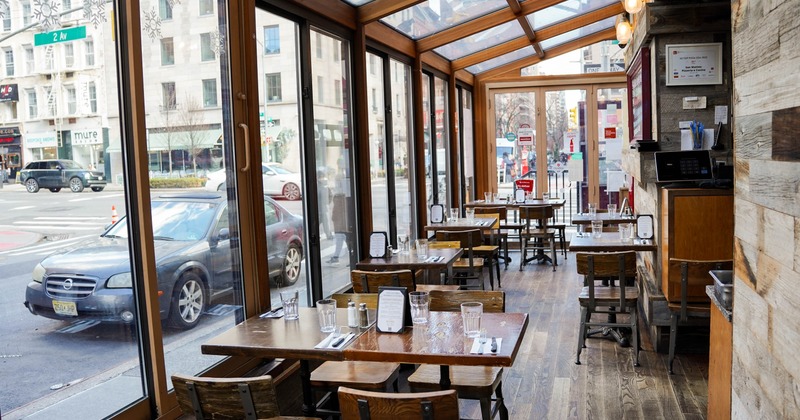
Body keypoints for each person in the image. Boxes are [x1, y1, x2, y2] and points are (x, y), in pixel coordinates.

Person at [317, 169, 333, 240]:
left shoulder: (317, 185)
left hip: (319, 208)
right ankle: (328, 235)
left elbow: (330, 195)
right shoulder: (326, 185)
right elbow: (331, 195)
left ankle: (328, 234)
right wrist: (326, 203)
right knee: (325, 222)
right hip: (324, 207)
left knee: (319, 221)